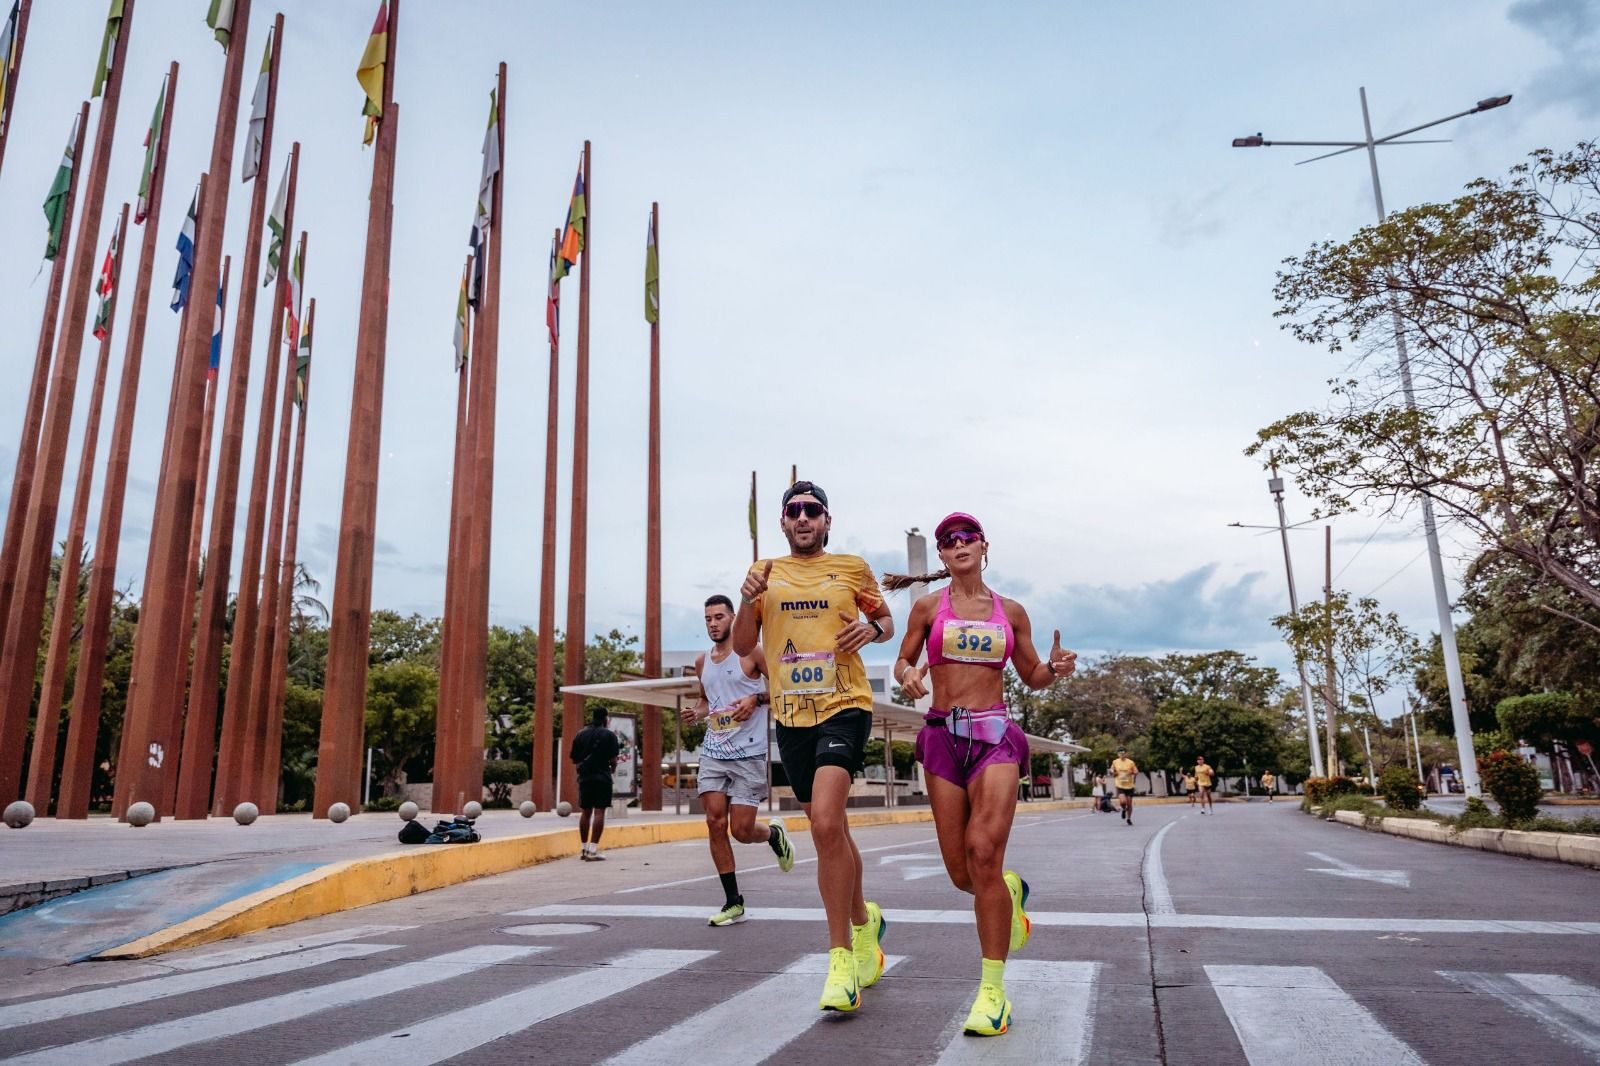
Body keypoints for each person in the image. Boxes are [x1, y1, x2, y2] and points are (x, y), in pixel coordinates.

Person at [887, 511, 1077, 1037]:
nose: (959, 544)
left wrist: (1055, 670)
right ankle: (1008, 896)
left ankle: (992, 992)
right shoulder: (927, 609)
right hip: (942, 737)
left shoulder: (1011, 612)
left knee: (983, 853)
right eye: (949, 540)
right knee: (961, 874)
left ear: (984, 546)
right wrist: (908, 676)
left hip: (995, 737)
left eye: (968, 536)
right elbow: (902, 664)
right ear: (943, 556)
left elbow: (1033, 676)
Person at [733, 480, 896, 1013]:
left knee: (827, 822)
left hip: (845, 703)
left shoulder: (852, 567)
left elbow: (886, 621)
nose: (803, 517)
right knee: (832, 829)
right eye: (794, 510)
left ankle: (840, 960)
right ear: (783, 522)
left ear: (827, 520)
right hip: (792, 713)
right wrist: (745, 598)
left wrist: (870, 632)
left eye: (813, 510)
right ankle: (863, 921)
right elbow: (741, 647)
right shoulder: (766, 576)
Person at [683, 594, 797, 927]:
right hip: (714, 750)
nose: (713, 623)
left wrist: (757, 698)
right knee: (714, 822)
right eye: (708, 619)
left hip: (749, 753)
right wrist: (697, 711)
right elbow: (707, 700)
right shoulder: (702, 662)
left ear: (733, 618)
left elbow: (783, 687)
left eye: (719, 617)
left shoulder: (752, 652)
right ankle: (733, 901)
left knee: (741, 830)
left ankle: (773, 835)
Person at [570, 707, 621, 859]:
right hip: (602, 777)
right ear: (606, 719)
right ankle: (593, 850)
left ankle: (584, 849)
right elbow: (613, 760)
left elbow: (574, 758)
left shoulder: (580, 734)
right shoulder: (609, 735)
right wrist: (612, 769)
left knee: (585, 812)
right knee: (600, 811)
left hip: (585, 777)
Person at [1110, 747, 1138, 826]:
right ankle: (1123, 809)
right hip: (1120, 785)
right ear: (1118, 754)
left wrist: (1132, 773)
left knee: (1129, 803)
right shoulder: (1115, 762)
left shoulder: (1131, 762)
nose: (1122, 755)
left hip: (1129, 786)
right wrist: (1113, 772)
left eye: (1123, 753)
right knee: (1123, 801)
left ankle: (1128, 818)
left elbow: (1136, 771)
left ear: (1126, 754)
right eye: (1120, 753)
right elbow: (1111, 769)